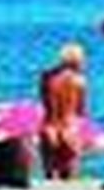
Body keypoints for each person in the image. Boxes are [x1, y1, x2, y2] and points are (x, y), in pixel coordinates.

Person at [38, 42, 89, 180]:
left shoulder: (46, 77)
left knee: (50, 184)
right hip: (70, 130)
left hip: (49, 128)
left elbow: (44, 102)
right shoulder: (80, 81)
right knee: (70, 183)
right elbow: (81, 110)